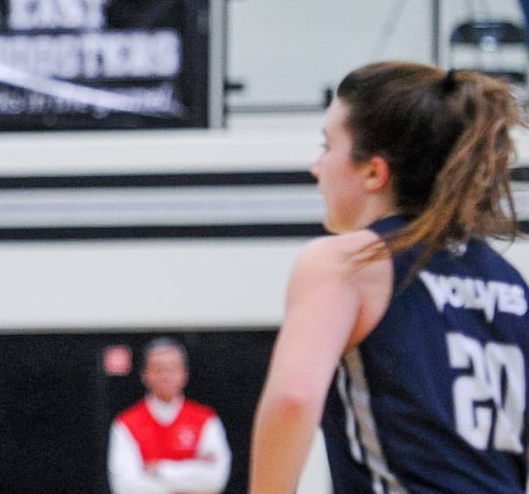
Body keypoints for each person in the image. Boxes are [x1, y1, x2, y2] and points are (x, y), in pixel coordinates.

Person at [249, 62, 529, 493]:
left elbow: (293, 399)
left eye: (328, 146)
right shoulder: (510, 282)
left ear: (373, 172)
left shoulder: (349, 262)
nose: (316, 166)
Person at [107, 337, 229, 494]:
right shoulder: (126, 423)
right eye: (158, 369)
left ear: (184, 374)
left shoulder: (205, 419)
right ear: (145, 375)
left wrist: (160, 470)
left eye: (172, 369)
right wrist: (192, 476)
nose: (165, 376)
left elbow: (216, 479)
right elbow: (125, 487)